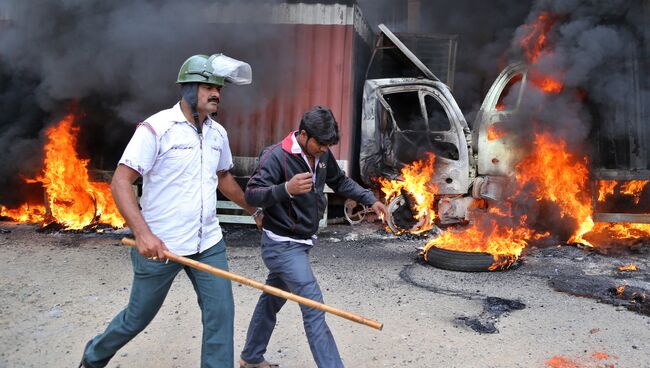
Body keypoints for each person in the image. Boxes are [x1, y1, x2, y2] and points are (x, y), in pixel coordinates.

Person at [79, 53, 260, 368]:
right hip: (161, 245)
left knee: (221, 315)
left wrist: (253, 210)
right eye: (207, 87)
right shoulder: (157, 127)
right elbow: (122, 181)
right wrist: (143, 234)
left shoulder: (218, 134)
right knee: (137, 318)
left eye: (219, 88)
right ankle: (94, 356)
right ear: (189, 89)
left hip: (208, 244)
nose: (216, 93)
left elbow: (223, 177)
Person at [239, 106, 389, 368]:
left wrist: (370, 199)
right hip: (281, 247)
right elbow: (252, 194)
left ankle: (250, 358)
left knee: (272, 299)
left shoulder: (321, 155)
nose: (323, 149)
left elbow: (340, 181)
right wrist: (286, 188)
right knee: (314, 307)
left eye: (328, 145)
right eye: (320, 144)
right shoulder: (276, 156)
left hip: (301, 243)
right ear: (304, 134)